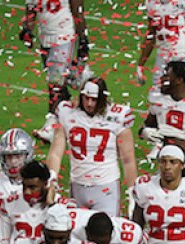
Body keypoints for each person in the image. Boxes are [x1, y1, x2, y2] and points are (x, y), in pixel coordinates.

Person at [46, 77, 138, 216]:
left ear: (102, 99)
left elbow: (128, 159)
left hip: (106, 186)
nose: (89, 103)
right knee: (76, 233)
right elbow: (56, 152)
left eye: (94, 99)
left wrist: (132, 192)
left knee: (104, 234)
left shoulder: (117, 116)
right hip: (77, 184)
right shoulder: (67, 112)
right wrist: (52, 177)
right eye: (86, 98)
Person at [21, 0, 89, 143]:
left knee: (55, 83)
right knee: (61, 82)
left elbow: (77, 11)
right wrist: (27, 30)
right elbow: (31, 10)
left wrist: (83, 39)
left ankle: (51, 126)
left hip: (65, 36)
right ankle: (70, 122)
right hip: (45, 39)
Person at [137, 0, 185, 84]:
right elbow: (151, 34)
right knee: (158, 92)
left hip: (183, 56)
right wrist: (140, 65)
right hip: (162, 57)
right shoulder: (151, 3)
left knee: (182, 92)